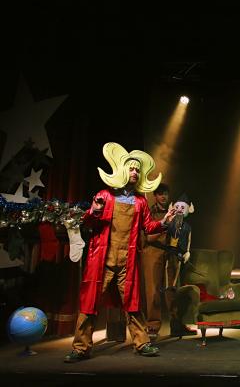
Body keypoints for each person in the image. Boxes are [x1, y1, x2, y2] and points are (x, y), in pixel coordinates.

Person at [64, 143, 175, 363]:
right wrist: (93, 211)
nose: (134, 172)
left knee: (133, 303)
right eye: (131, 168)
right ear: (122, 170)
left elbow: (147, 227)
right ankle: (81, 347)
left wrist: (163, 222)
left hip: (127, 260)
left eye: (137, 169)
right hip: (102, 259)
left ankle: (142, 343)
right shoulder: (105, 195)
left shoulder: (140, 201)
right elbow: (88, 222)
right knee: (90, 303)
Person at [164, 193, 197, 337]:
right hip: (171, 257)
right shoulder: (171, 223)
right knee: (171, 288)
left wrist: (188, 252)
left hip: (181, 259)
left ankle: (178, 323)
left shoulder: (187, 226)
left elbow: (188, 240)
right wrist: (167, 219)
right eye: (176, 207)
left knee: (180, 290)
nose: (179, 209)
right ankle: (174, 323)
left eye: (182, 207)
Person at [140, 182, 170, 339]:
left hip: (170, 253)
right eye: (160, 193)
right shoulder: (150, 212)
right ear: (155, 196)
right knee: (153, 291)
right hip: (153, 251)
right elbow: (149, 237)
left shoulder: (174, 211)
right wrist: (164, 225)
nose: (163, 196)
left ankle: (178, 325)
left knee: (173, 289)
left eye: (165, 193)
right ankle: (152, 326)